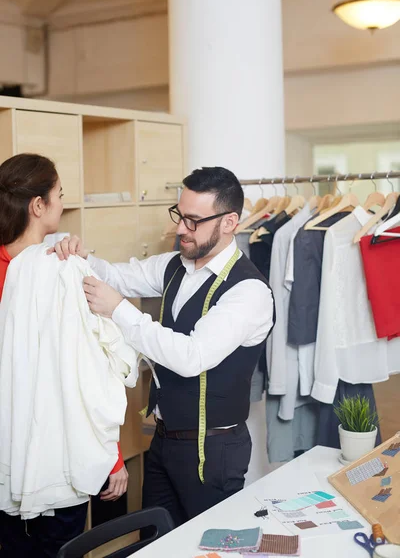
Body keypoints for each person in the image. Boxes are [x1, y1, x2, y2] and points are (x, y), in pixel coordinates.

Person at [52, 166, 275, 526]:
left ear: (230, 222)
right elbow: (117, 275)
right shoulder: (174, 265)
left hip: (213, 451)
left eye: (193, 220)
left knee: (210, 547)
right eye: (179, 215)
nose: (180, 229)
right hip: (163, 441)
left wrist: (119, 310)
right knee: (154, 543)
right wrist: (75, 252)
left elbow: (191, 357)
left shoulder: (249, 292)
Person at [0, 153, 129, 558]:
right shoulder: (64, 271)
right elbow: (91, 372)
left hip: (8, 458)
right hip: (61, 461)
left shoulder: (41, 264)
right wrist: (113, 459)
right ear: (38, 205)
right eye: (59, 194)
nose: (62, 203)